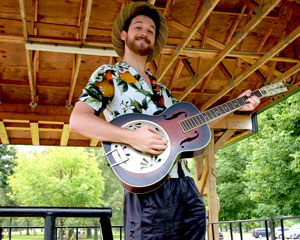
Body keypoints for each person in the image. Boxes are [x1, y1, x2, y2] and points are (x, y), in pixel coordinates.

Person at [69, 2, 260, 240]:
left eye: (150, 30)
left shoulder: (163, 92)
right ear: (124, 34)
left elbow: (197, 123)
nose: (144, 32)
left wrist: (237, 104)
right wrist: (133, 137)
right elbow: (78, 120)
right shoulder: (110, 76)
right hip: (148, 186)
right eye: (138, 26)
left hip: (186, 187)